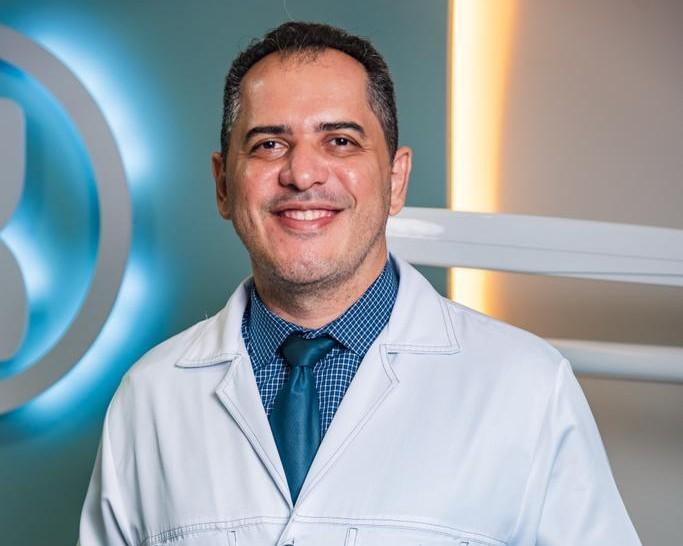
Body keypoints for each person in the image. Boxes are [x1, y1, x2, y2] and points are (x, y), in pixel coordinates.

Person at [79, 21, 641, 546]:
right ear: (223, 185)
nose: (302, 174)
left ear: (395, 179)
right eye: (269, 143)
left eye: (341, 141)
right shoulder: (149, 397)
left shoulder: (528, 387)